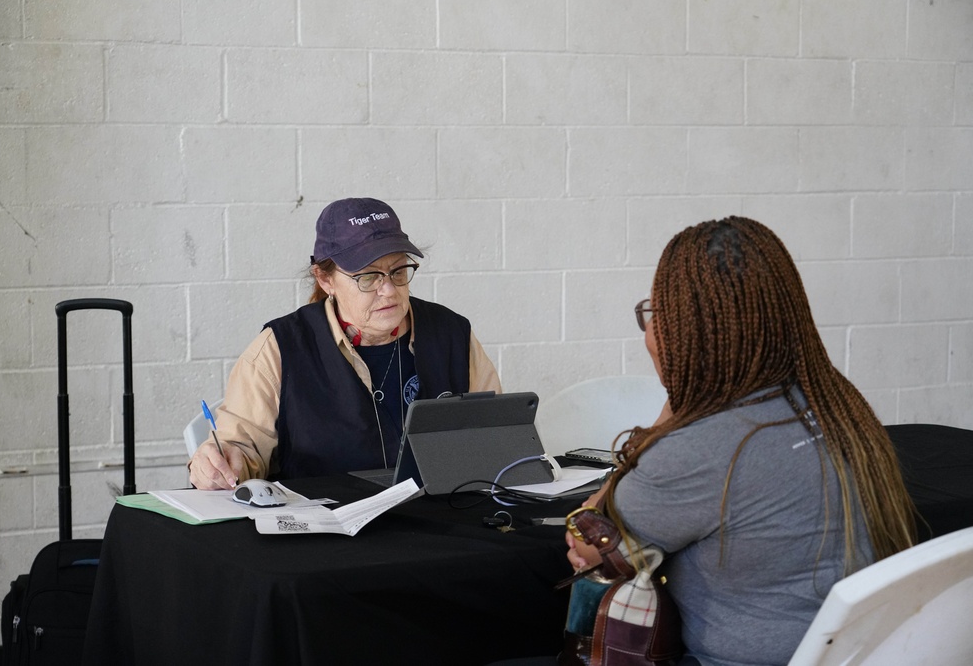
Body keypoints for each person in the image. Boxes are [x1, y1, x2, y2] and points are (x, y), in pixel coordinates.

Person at [564, 217, 917, 666]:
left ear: (681, 331)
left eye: (655, 314)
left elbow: (589, 546)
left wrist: (673, 410)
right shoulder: (838, 406)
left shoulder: (701, 450)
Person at [188, 197, 501, 490]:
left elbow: (497, 432)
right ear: (326, 280)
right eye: (368, 277)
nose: (389, 291)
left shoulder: (452, 333)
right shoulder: (280, 348)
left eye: (398, 271)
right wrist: (222, 462)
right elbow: (242, 449)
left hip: (440, 517)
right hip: (327, 527)